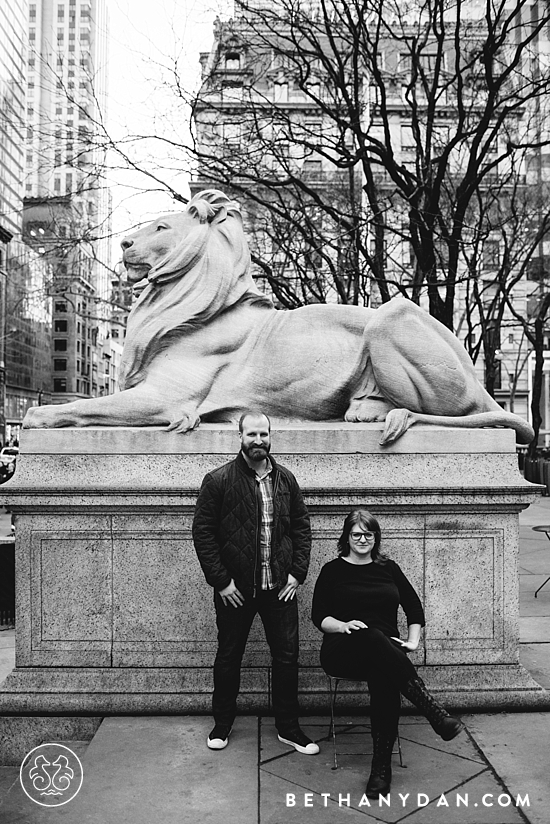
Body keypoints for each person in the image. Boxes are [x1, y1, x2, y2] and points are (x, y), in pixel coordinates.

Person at [311, 508, 464, 798]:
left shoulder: (388, 568)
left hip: (385, 654)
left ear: (376, 537)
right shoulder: (332, 570)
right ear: (346, 537)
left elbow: (414, 608)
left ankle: (381, 767)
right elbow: (318, 616)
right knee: (370, 636)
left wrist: (413, 641)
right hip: (342, 649)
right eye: (356, 534)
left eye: (369, 533)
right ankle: (432, 711)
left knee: (383, 673)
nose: (363, 539)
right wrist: (343, 625)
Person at [192, 411, 319, 756]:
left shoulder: (285, 480)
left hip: (280, 588)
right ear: (240, 437)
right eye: (252, 434)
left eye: (264, 434)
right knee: (229, 656)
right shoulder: (218, 480)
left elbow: (302, 530)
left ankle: (289, 728)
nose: (259, 440)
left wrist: (297, 573)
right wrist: (221, 582)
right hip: (236, 591)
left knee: (287, 658)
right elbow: (203, 534)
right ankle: (222, 722)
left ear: (270, 436)